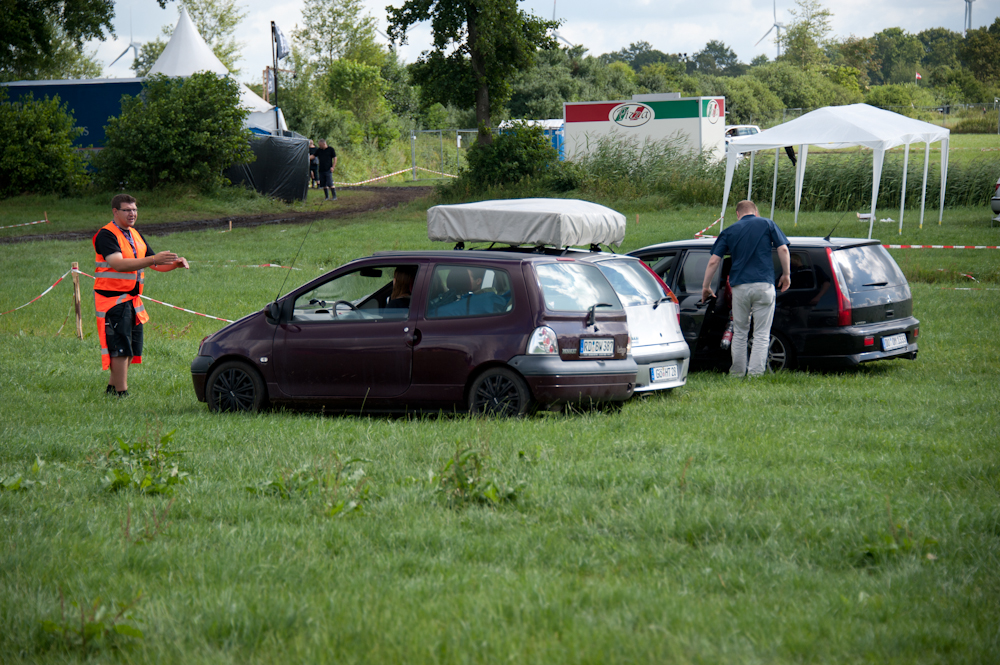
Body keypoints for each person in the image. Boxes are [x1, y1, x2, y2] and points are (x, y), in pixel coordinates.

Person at [93, 194, 189, 397]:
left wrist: (174, 264)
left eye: (135, 209)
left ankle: (111, 390)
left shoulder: (135, 235)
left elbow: (154, 264)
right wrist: (153, 258)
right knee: (120, 349)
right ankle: (121, 393)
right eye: (127, 210)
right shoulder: (106, 235)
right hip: (112, 300)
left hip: (131, 300)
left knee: (131, 349)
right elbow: (118, 264)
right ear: (115, 212)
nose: (132, 213)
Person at [702, 199, 790, 377]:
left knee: (740, 332)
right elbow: (783, 249)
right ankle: (756, 375)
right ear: (755, 212)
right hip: (764, 285)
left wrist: (706, 286)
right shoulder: (767, 224)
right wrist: (786, 275)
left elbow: (714, 261)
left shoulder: (729, 231)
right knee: (761, 333)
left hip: (740, 287)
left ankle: (737, 373)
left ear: (737, 214)